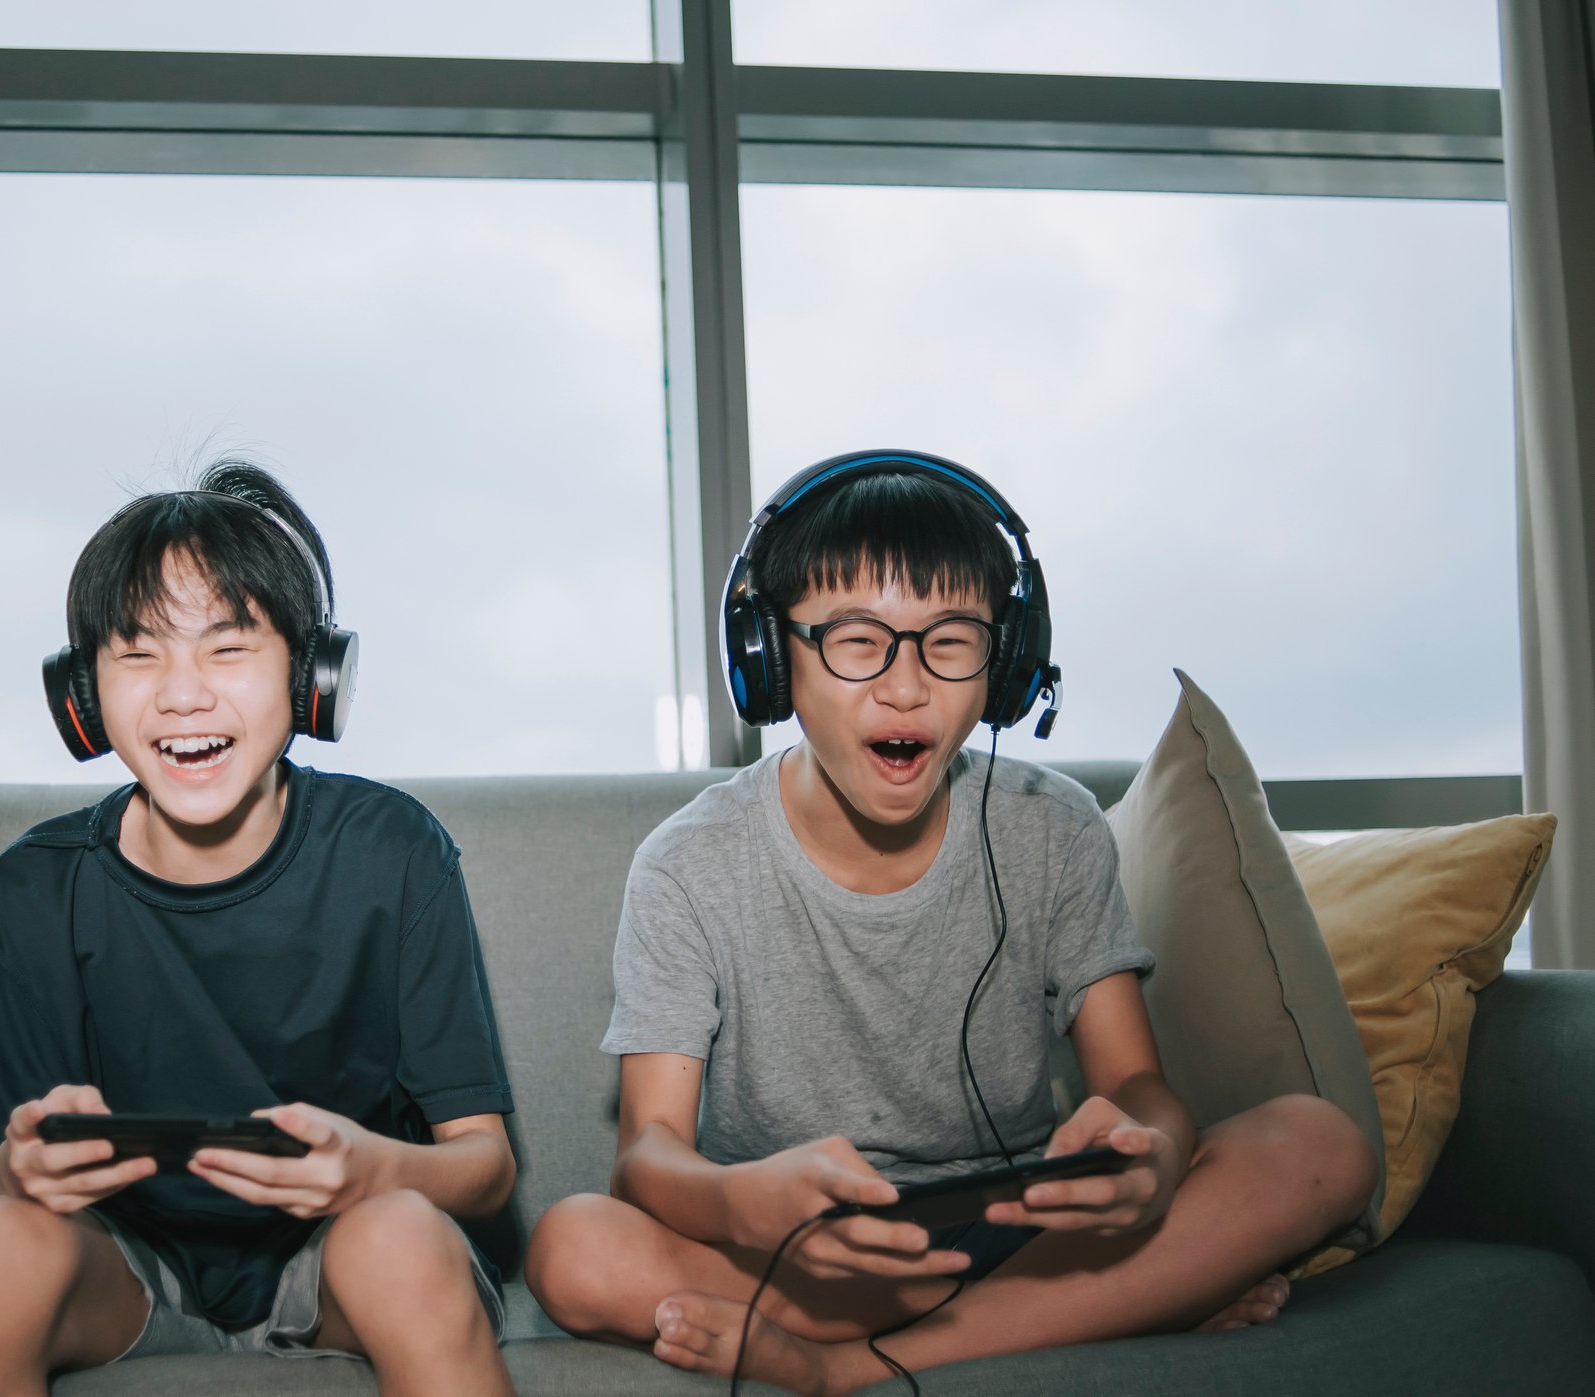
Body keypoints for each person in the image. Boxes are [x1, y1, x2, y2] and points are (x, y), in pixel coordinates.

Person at [525, 451, 1377, 1396]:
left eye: (952, 640)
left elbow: (1138, 1083)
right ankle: (1107, 1309)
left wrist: (1154, 1156)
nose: (905, 686)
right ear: (771, 662)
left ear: (1005, 666)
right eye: (856, 641)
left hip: (1015, 1234)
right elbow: (645, 1157)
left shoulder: (1051, 828)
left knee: (1321, 1142)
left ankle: (842, 1368)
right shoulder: (687, 864)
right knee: (572, 1246)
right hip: (800, 1253)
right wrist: (740, 1199)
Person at [0, 460, 518, 1397]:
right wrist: (16, 1171)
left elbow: (484, 1166)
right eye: (138, 653)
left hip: (344, 1259)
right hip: (126, 1272)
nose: (182, 694)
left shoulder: (394, 852)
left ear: (311, 677)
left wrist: (367, 1170)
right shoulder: (32, 891)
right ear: (83, 696)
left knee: (397, 1235)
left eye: (228, 649)